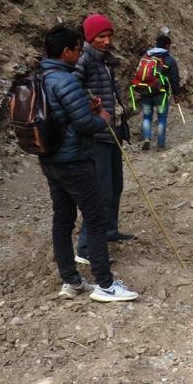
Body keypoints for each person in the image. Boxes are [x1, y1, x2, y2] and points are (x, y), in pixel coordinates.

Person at [38, 25, 138, 302]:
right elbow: (83, 124)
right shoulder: (66, 80)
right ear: (67, 51)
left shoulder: (38, 78)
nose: (80, 54)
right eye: (77, 49)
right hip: (74, 159)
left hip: (50, 159)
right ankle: (105, 285)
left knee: (62, 220)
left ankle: (71, 281)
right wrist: (103, 120)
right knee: (95, 218)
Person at [74, 13, 134, 264]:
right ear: (90, 37)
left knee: (115, 187)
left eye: (109, 36)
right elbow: (72, 94)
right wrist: (92, 112)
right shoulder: (83, 60)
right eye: (101, 36)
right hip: (97, 135)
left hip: (113, 132)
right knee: (100, 191)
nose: (107, 41)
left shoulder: (106, 62)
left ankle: (109, 230)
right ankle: (86, 246)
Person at [132, 35, 181, 151]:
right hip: (161, 92)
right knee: (162, 118)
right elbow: (174, 79)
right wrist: (176, 94)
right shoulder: (169, 60)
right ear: (168, 46)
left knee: (147, 116)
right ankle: (161, 145)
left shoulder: (146, 56)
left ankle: (147, 138)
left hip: (145, 91)